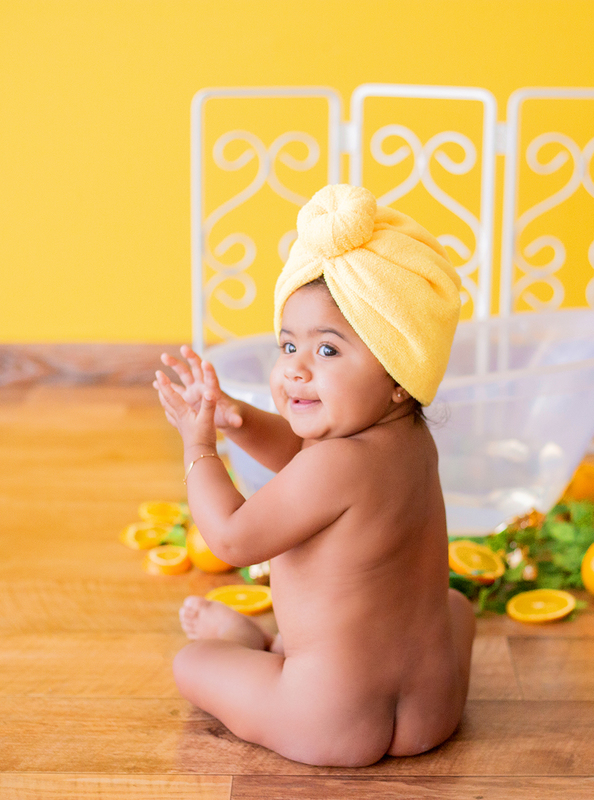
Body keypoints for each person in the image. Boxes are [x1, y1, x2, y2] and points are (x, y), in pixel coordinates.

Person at [154, 184, 475, 767]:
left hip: (326, 721)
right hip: (433, 714)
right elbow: (311, 462)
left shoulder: (335, 462)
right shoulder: (411, 440)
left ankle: (264, 650)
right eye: (288, 344)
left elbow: (228, 537)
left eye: (327, 351)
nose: (296, 370)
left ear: (398, 373)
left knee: (191, 664)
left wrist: (199, 442)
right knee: (456, 606)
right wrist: (238, 418)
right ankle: (280, 654)